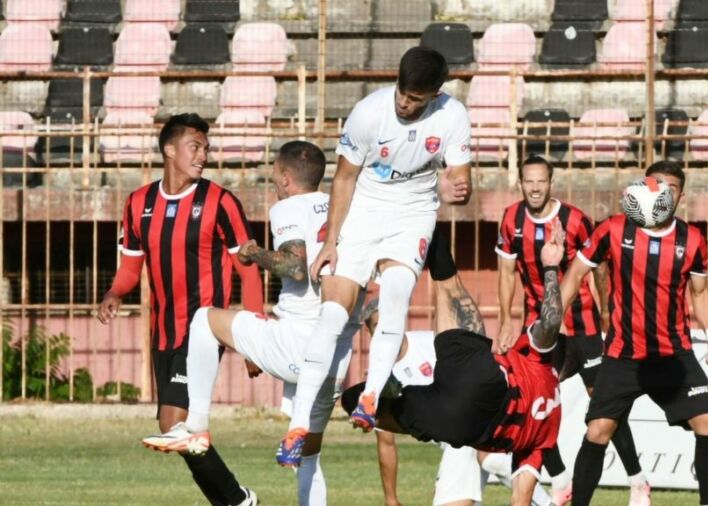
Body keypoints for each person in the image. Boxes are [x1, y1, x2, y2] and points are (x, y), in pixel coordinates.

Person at [139, 141, 363, 505]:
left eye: (274, 174)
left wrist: (253, 252)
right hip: (335, 357)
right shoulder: (344, 208)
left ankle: (196, 426)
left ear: (286, 178)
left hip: (295, 343)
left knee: (204, 319)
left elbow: (295, 266)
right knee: (309, 456)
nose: (273, 182)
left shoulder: (288, 207)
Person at [295, 45, 472, 448]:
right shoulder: (368, 113)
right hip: (364, 210)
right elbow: (343, 178)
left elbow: (460, 179)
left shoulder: (453, 116)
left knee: (395, 296)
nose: (405, 103)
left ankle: (371, 396)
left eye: (415, 99)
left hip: (413, 213)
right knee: (332, 314)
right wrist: (330, 240)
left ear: (435, 95)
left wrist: (458, 189)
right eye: (402, 93)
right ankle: (298, 424)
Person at [97, 113, 264, 506]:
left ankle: (237, 500)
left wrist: (252, 336)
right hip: (164, 330)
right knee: (173, 427)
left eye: (206, 147)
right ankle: (236, 501)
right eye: (195, 147)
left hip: (204, 329)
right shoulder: (138, 203)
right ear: (169, 150)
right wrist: (114, 293)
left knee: (176, 424)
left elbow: (249, 271)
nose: (204, 155)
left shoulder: (221, 202)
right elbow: (130, 267)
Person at [342, 223, 566, 506]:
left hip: (483, 384)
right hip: (460, 425)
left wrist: (550, 266)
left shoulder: (541, 364)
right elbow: (520, 500)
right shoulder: (545, 437)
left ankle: (425, 220)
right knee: (356, 401)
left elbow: (551, 320)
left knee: (447, 284)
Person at [560, 161, 708, 506]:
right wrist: (550, 320)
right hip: (623, 355)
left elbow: (699, 292)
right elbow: (575, 275)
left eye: (672, 187)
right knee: (598, 431)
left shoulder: (693, 239)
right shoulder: (614, 228)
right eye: (657, 184)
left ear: (680, 196)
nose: (663, 191)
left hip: (673, 356)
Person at [495, 155, 651, 505]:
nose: (535, 188)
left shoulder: (575, 220)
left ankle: (638, 481)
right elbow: (505, 273)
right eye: (529, 181)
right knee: (529, 399)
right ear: (520, 184)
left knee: (604, 405)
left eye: (541, 181)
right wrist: (505, 320)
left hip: (584, 327)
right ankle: (561, 478)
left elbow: (599, 269)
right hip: (540, 329)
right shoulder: (510, 219)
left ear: (551, 183)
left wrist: (608, 316)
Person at [360, 294, 556, 506]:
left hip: (475, 427)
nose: (384, 331)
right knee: (488, 461)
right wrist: (391, 498)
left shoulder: (430, 342)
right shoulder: (379, 377)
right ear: (369, 333)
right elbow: (386, 442)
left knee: (489, 459)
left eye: (388, 323)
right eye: (377, 327)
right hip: (457, 441)